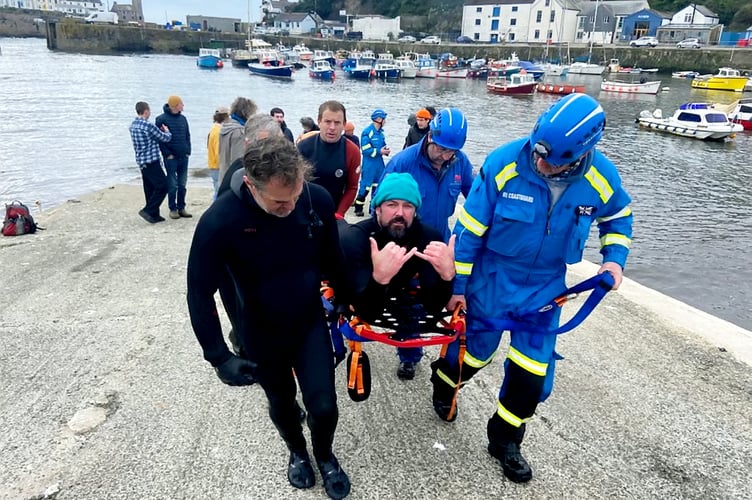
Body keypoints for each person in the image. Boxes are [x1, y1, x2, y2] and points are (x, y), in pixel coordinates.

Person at [430, 93, 633, 484]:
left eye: (550, 160)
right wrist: (458, 286)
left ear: (581, 153)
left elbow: (619, 217)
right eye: (537, 152)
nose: (538, 162)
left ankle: (505, 439)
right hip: (492, 280)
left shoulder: (601, 177)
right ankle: (444, 383)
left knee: (532, 378)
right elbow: (469, 231)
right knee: (472, 357)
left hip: (544, 291)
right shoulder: (504, 163)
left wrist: (613, 260)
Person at [187, 134, 352, 500]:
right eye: (279, 201)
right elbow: (199, 291)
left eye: (294, 195)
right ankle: (297, 452)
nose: (290, 206)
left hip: (308, 320)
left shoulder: (314, 199)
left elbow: (332, 255)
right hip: (260, 329)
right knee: (282, 403)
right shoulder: (221, 220)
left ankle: (324, 455)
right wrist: (218, 356)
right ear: (251, 184)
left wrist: (344, 297)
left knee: (324, 406)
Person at [340, 173, 455, 380]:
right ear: (377, 208)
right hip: (361, 283)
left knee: (411, 307)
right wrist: (380, 278)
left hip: (398, 285)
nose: (400, 213)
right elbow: (365, 313)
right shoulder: (358, 237)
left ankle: (409, 357)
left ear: (415, 211)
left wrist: (447, 277)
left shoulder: (428, 236)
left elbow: (433, 306)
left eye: (408, 206)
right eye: (392, 204)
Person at [378, 108, 474, 241]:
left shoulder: (461, 162)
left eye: (451, 151)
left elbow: (478, 199)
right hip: (407, 245)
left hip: (440, 242)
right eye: (441, 149)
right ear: (430, 136)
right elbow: (378, 207)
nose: (445, 156)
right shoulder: (402, 163)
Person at [297, 101, 361, 220]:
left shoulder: (352, 151)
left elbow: (352, 187)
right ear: (319, 122)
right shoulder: (304, 147)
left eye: (337, 123)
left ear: (344, 125)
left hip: (333, 213)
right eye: (327, 122)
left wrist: (340, 213)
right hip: (303, 210)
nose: (332, 128)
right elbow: (292, 182)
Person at [129, 101, 171, 223]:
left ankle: (154, 215)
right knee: (163, 186)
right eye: (149, 110)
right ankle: (149, 210)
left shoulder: (133, 125)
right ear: (146, 111)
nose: (150, 113)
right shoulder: (147, 126)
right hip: (152, 160)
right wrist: (167, 131)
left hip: (141, 161)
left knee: (149, 188)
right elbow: (165, 138)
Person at [155, 95, 192, 219]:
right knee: (172, 184)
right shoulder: (161, 119)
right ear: (176, 105)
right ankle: (173, 208)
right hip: (171, 158)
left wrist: (188, 151)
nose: (183, 106)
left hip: (183, 156)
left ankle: (181, 207)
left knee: (182, 184)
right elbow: (160, 140)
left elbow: (187, 136)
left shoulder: (183, 119)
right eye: (181, 103)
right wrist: (167, 154)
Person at [353, 109, 390, 217]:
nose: (385, 121)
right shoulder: (367, 132)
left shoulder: (381, 133)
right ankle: (358, 207)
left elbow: (382, 145)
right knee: (365, 187)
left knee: (378, 186)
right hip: (369, 164)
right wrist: (379, 151)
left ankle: (373, 209)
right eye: (384, 119)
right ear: (379, 119)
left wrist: (385, 151)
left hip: (379, 163)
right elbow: (365, 150)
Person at [218, 97, 258, 185]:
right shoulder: (239, 132)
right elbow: (238, 161)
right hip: (233, 179)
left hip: (223, 172)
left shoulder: (225, 127)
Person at [207, 106, 229, 200]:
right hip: (217, 167)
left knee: (217, 190)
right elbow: (218, 151)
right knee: (219, 192)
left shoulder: (213, 129)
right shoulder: (218, 131)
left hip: (213, 165)